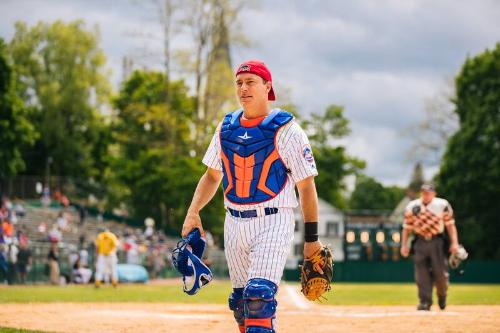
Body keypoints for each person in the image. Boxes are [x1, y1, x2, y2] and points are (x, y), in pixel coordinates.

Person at [181, 60, 324, 333]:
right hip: (233, 222)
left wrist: (311, 240)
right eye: (239, 83)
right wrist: (192, 211)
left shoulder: (287, 130)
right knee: (241, 305)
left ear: (267, 86)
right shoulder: (226, 128)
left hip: (273, 220)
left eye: (250, 82)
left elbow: (306, 187)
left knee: (258, 297)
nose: (243, 88)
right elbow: (212, 176)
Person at [400, 183, 460, 311]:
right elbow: (406, 228)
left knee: (441, 274)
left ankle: (442, 296)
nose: (425, 195)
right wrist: (404, 245)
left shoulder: (442, 205)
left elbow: (450, 225)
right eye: (423, 192)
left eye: (428, 192)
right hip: (420, 241)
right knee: (421, 274)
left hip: (437, 241)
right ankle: (425, 302)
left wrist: (454, 242)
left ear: (434, 193)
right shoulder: (412, 206)